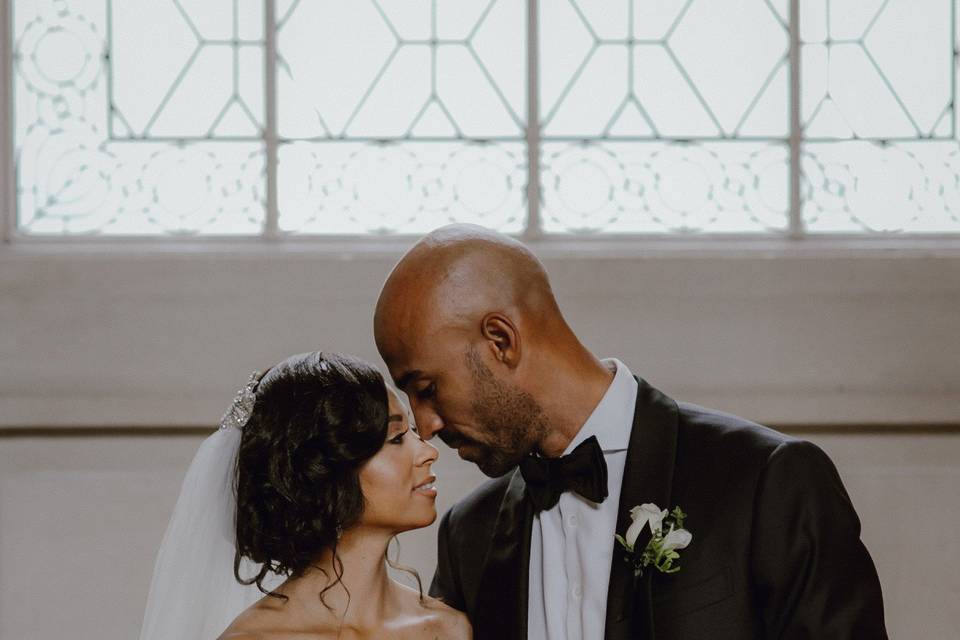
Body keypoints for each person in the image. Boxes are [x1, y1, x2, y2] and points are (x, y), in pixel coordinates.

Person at [373, 224, 888, 640]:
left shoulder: (768, 481)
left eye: (427, 387)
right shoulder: (471, 532)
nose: (426, 424)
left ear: (500, 340)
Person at [139, 351, 471, 640]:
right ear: (329, 472)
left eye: (414, 433)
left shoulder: (449, 630)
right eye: (398, 438)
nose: (429, 452)